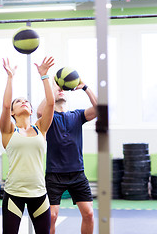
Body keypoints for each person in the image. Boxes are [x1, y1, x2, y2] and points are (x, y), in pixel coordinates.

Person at [0, 57, 55, 234]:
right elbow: (6, 104)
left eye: (26, 101)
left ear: (31, 110)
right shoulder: (8, 130)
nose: (23, 102)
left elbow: (51, 103)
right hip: (14, 193)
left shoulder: (41, 128)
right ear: (13, 113)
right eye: (19, 102)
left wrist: (44, 76)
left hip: (39, 192)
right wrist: (10, 77)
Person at [37, 77, 97, 234]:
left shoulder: (77, 115)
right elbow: (40, 112)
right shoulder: (49, 119)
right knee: (51, 216)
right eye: (58, 90)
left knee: (89, 214)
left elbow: (99, 109)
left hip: (77, 173)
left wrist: (85, 87)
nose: (60, 90)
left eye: (62, 89)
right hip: (54, 175)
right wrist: (52, 88)